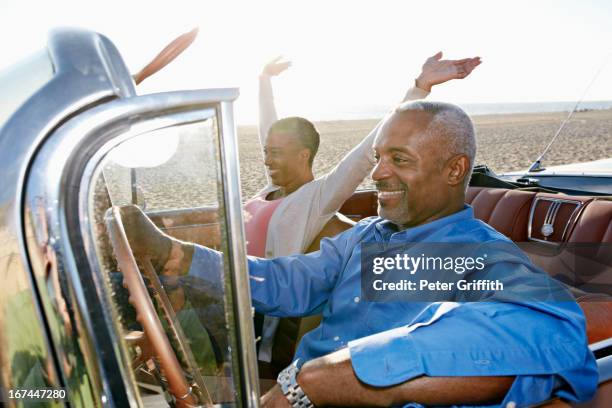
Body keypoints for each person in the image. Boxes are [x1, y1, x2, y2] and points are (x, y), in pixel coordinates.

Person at [122, 101, 597, 407]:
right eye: (379, 157)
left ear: (455, 170)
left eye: (401, 160)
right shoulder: (369, 235)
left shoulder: (472, 254)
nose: (379, 173)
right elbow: (292, 283)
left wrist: (328, 379)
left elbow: (553, 335)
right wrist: (180, 257)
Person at [248, 52, 481, 363]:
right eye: (267, 152)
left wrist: (419, 88)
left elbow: (364, 155)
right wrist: (263, 80)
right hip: (249, 288)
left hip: (262, 312)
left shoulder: (315, 198)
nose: (268, 158)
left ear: (301, 155)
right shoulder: (270, 187)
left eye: (277, 152)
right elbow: (269, 131)